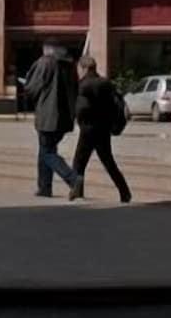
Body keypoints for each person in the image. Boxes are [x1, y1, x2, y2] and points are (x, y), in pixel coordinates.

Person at [22, 41, 83, 200]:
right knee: (46, 150)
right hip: (64, 116)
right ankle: (44, 187)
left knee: (48, 152)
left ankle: (72, 178)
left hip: (48, 115)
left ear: (47, 50)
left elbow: (32, 88)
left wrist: (26, 87)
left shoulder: (45, 63)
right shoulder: (70, 65)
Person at [68, 55, 131, 204]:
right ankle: (125, 192)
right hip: (104, 128)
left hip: (88, 128)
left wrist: (79, 119)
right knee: (109, 162)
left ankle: (77, 192)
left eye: (79, 69)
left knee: (79, 162)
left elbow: (82, 108)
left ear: (83, 68)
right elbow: (117, 104)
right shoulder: (106, 83)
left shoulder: (83, 85)